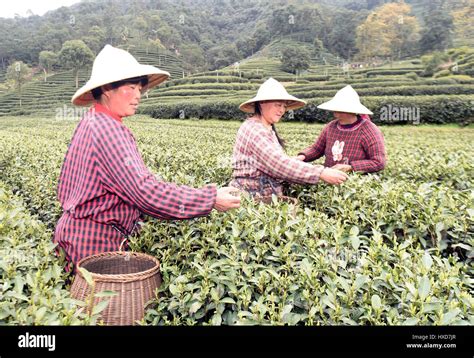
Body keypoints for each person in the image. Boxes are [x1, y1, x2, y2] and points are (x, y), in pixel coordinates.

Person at [53, 45, 240, 271]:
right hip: (93, 244)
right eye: (130, 88)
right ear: (106, 89)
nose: (137, 95)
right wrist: (209, 198)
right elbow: (144, 192)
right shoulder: (107, 130)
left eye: (139, 88)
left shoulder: (95, 120)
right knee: (106, 306)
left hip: (80, 236)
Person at [229, 77, 348, 198]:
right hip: (252, 196)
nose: (282, 110)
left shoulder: (266, 127)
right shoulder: (254, 129)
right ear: (262, 103)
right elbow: (278, 164)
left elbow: (271, 161)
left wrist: (295, 161)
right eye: (278, 105)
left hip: (264, 194)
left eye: (284, 106)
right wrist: (321, 172)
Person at [296, 85, 386, 173]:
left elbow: (378, 162)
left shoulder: (369, 130)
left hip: (353, 180)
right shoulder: (331, 126)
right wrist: (301, 157)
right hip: (329, 177)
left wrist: (350, 167)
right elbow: (317, 149)